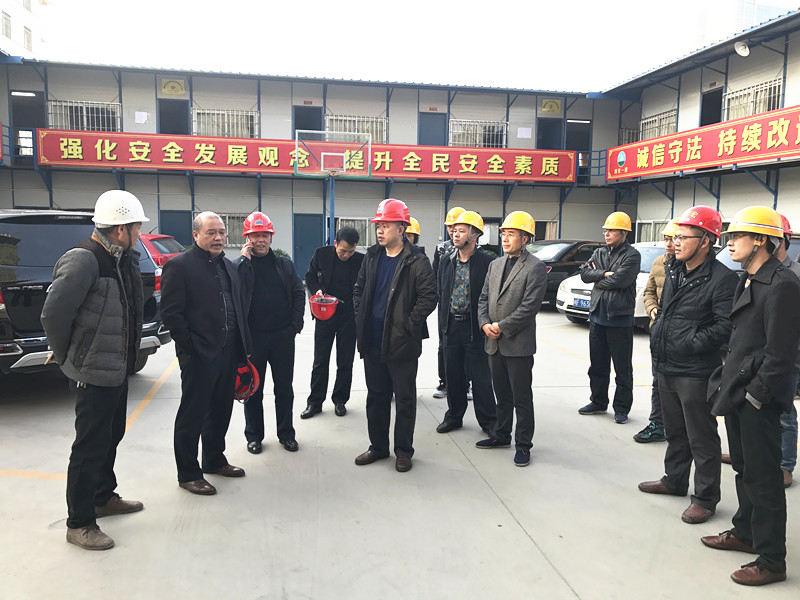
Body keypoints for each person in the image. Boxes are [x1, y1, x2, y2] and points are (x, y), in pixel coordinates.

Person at [41, 190, 148, 551]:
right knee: (89, 447)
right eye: (136, 227)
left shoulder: (121, 259)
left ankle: (103, 496)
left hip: (115, 368)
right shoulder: (85, 260)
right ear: (120, 229)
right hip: (92, 371)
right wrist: (68, 357)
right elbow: (53, 314)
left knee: (111, 435)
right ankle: (80, 522)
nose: (139, 233)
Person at [701, 206, 800, 586]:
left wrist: (757, 396)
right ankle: (745, 532)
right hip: (739, 391)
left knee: (765, 479)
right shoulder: (748, 278)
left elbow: (781, 354)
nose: (729, 243)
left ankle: (772, 560)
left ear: (761, 240)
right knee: (744, 469)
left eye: (737, 236)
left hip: (758, 399)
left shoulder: (782, 284)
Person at [638, 206, 737, 524]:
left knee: (701, 436)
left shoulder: (721, 279)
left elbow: (725, 327)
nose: (675, 242)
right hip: (666, 364)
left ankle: (706, 498)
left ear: (706, 241)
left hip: (695, 371)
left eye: (683, 237)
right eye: (675, 236)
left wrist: (690, 342)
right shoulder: (674, 269)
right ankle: (675, 480)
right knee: (675, 430)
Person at [161, 211, 250, 496]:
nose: (218, 237)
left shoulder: (228, 266)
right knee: (193, 414)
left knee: (221, 410)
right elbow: (171, 314)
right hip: (199, 355)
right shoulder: (180, 267)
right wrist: (191, 348)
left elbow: (237, 306)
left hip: (229, 351)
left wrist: (242, 348)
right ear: (196, 235)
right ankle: (188, 473)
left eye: (222, 232)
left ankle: (214, 459)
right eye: (211, 232)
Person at [353, 198, 437, 472]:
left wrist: (408, 325)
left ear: (401, 228)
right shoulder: (372, 257)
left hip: (402, 343)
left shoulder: (417, 261)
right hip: (373, 339)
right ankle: (378, 447)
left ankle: (403, 451)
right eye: (378, 225)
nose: (380, 230)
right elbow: (359, 289)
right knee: (376, 397)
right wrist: (361, 316)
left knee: (404, 399)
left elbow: (429, 297)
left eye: (386, 225)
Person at [475, 211, 547, 467]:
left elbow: (529, 307)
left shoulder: (535, 267)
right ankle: (501, 435)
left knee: (521, 398)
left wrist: (501, 326)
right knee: (501, 394)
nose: (505, 239)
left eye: (511, 234)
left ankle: (523, 445)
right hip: (493, 342)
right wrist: (484, 323)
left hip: (518, 345)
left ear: (525, 239)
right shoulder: (495, 265)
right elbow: (483, 298)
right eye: (504, 234)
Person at [236, 211, 305, 453]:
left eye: (264, 235)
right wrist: (243, 261)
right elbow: (234, 290)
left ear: (271, 237)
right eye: (255, 235)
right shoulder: (241, 266)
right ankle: (254, 436)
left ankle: (286, 434)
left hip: (282, 338)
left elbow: (298, 292)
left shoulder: (284, 265)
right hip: (253, 340)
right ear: (247, 238)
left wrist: (295, 326)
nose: (260, 240)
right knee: (252, 389)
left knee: (284, 388)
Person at [435, 210, 496, 435]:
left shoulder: (488, 263)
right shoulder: (446, 261)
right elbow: (441, 292)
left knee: (481, 378)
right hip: (451, 326)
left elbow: (491, 297)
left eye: (461, 231)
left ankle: (489, 422)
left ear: (475, 235)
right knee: (454, 376)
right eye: (454, 231)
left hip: (475, 328)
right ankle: (454, 416)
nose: (455, 234)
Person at [578, 211, 641, 424]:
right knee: (597, 365)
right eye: (606, 230)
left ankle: (621, 408)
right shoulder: (599, 252)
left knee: (622, 368)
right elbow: (584, 275)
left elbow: (621, 281)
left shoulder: (632, 255)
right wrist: (604, 274)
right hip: (597, 317)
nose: (607, 234)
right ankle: (598, 401)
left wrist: (598, 279)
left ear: (624, 233)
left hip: (619, 319)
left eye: (612, 230)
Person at [301, 227, 364, 419]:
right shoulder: (322, 254)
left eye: (350, 251)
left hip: (349, 317)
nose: (346, 255)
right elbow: (310, 277)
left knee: (345, 361)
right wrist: (317, 291)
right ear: (335, 243)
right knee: (320, 361)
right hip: (325, 313)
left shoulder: (361, 260)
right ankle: (315, 402)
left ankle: (340, 400)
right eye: (342, 251)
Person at [634, 219, 678, 443]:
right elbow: (649, 291)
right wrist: (651, 308)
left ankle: (677, 428)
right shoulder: (660, 262)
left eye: (674, 239)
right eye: (666, 239)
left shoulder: (689, 268)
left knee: (679, 387)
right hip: (659, 331)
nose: (669, 244)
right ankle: (657, 424)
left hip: (680, 336)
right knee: (658, 382)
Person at [432, 206, 465, 399]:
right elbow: (435, 276)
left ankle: (466, 383)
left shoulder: (475, 250)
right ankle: (444, 381)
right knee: (443, 345)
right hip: (446, 306)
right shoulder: (441, 249)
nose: (453, 231)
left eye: (457, 227)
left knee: (467, 347)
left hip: (466, 307)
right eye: (450, 227)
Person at [775, 214, 799, 489]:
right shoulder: (754, 273)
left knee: (784, 412)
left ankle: (785, 465)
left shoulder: (795, 274)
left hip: (788, 356)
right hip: (757, 355)